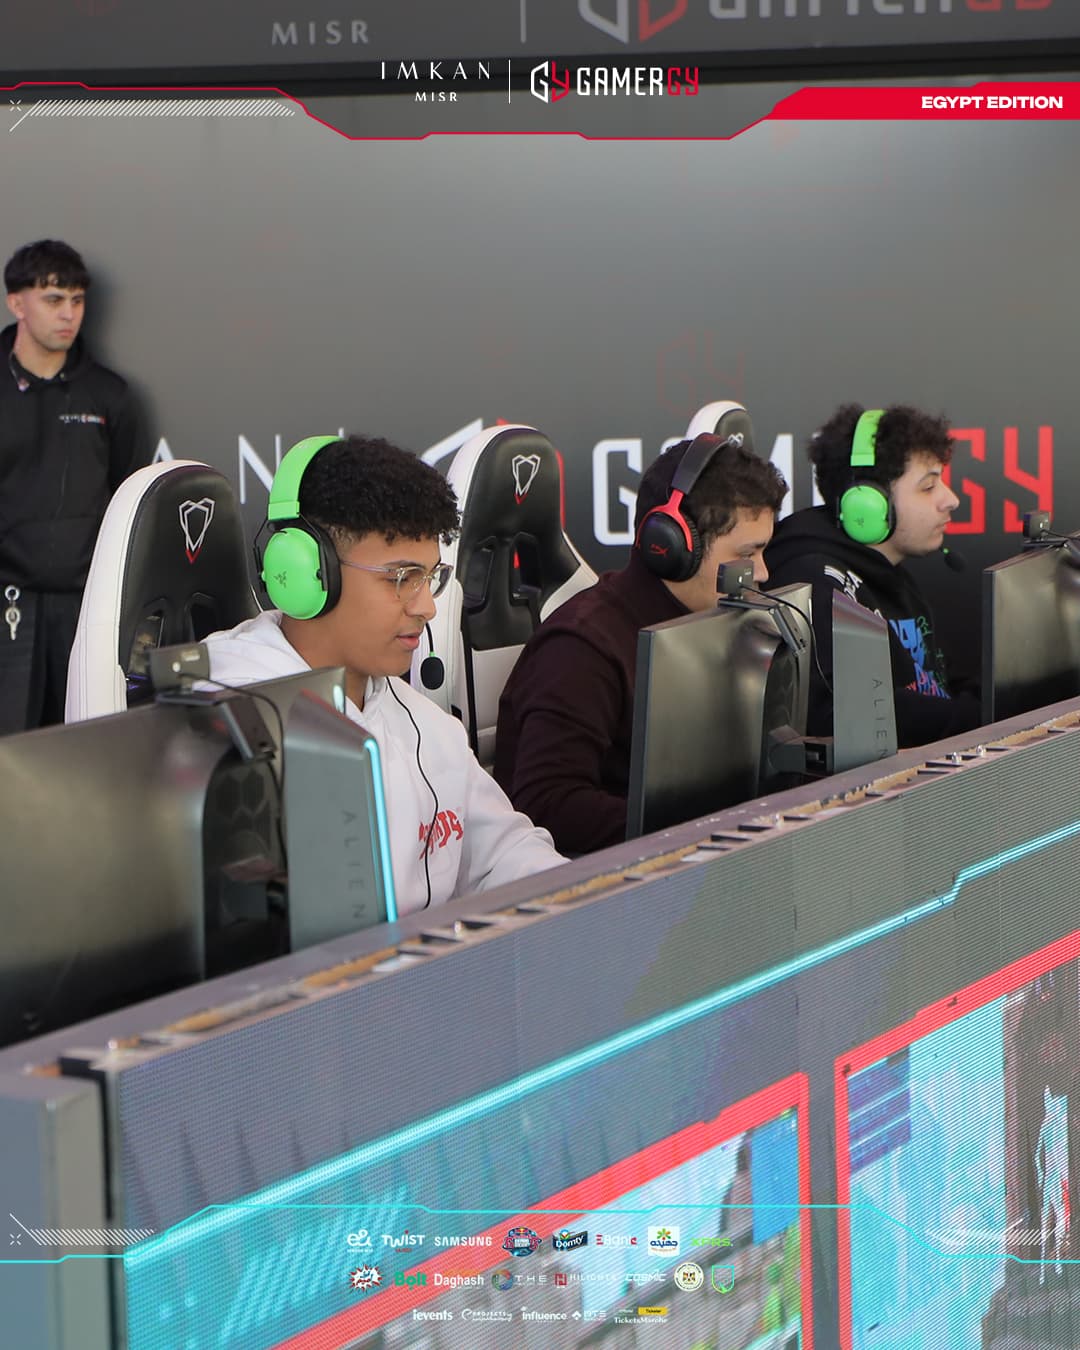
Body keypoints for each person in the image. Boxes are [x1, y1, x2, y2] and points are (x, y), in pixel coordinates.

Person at [203, 434, 566, 917]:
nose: (427, 606)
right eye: (402, 578)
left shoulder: (427, 726)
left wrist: (592, 903)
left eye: (430, 577)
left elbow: (504, 852)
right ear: (309, 574)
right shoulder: (221, 721)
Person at [494, 422, 787, 855]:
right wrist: (701, 827)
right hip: (610, 884)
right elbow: (547, 804)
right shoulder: (582, 647)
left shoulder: (720, 623)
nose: (762, 573)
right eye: (747, 554)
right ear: (670, 547)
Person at [764, 402, 980, 748]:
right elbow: (855, 717)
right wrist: (980, 718)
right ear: (866, 504)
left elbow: (938, 684)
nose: (950, 499)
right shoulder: (816, 583)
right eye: (928, 487)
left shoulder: (892, 577)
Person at [0, 239, 146, 733]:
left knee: (82, 743)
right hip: (8, 602)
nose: (69, 314)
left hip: (86, 608)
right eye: (53, 299)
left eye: (77, 300)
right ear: (17, 302)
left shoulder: (109, 395)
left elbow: (127, 499)